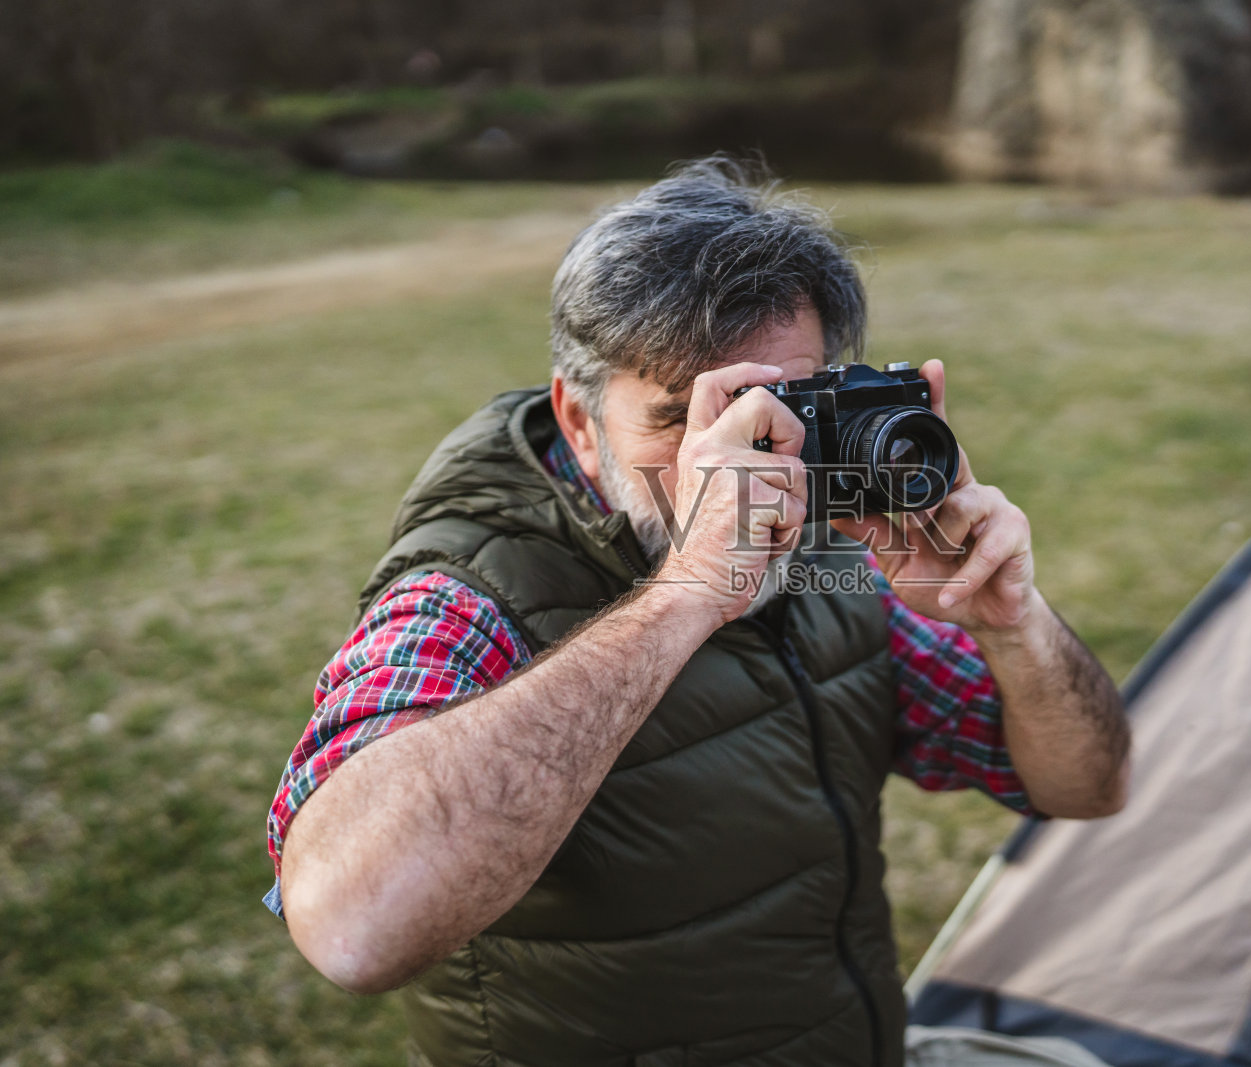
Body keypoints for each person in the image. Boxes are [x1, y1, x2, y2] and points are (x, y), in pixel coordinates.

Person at [265, 156, 1130, 1067]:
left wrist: (1012, 623)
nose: (740, 463)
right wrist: (687, 592)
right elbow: (352, 929)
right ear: (579, 421)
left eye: (781, 409)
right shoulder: (471, 589)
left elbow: (1085, 785)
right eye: (685, 417)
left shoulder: (831, 542)